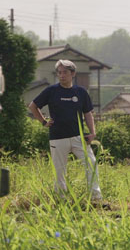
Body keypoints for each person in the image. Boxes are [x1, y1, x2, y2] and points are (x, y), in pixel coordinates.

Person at [28, 59, 103, 202]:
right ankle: (61, 199)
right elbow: (33, 106)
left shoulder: (80, 92)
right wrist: (43, 122)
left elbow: (88, 113)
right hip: (58, 137)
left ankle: (95, 198)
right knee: (60, 171)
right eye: (59, 72)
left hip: (78, 136)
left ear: (73, 73)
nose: (62, 75)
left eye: (65, 72)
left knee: (91, 164)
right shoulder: (51, 91)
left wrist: (92, 132)